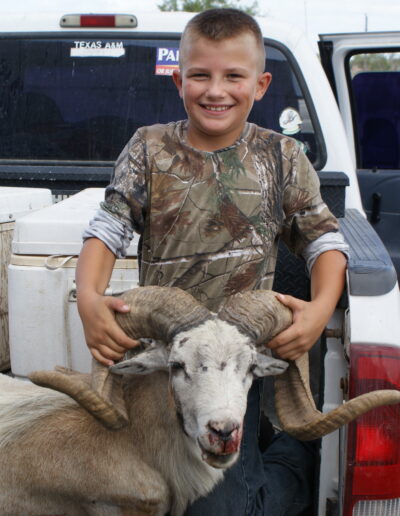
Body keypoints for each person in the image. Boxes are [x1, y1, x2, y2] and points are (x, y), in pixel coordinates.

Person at [76, 8, 348, 515]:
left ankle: (292, 457)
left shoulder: (283, 156)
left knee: (221, 506)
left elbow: (324, 242)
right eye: (200, 75)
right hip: (169, 365)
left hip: (233, 369)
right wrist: (89, 301)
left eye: (233, 77)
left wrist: (319, 308)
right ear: (179, 79)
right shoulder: (148, 147)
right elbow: (107, 229)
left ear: (261, 84)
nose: (215, 90)